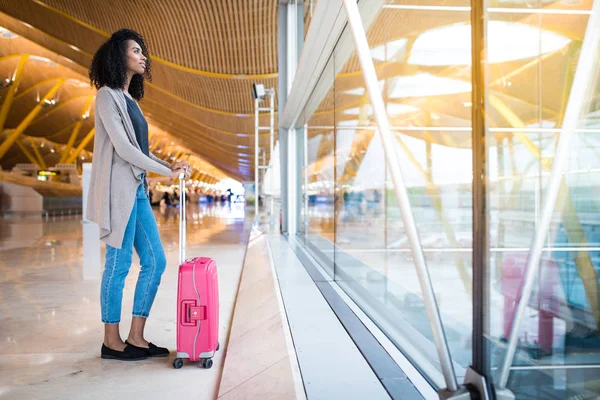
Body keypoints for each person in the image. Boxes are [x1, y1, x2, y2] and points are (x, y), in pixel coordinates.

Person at [86, 29, 191, 362]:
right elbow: (122, 148)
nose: (143, 56)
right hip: (120, 190)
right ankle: (111, 341)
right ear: (120, 56)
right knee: (118, 265)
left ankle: (136, 336)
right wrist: (165, 172)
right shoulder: (106, 96)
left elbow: (139, 148)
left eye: (143, 51)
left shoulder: (130, 100)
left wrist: (168, 165)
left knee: (155, 261)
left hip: (139, 191)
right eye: (136, 50)